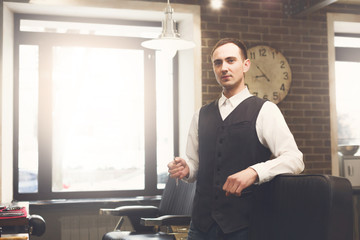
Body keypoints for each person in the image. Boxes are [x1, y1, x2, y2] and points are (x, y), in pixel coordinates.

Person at [167, 38, 304, 240]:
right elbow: (196, 165)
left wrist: (254, 171)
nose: (224, 68)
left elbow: (294, 159)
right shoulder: (201, 115)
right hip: (200, 225)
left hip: (244, 226)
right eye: (218, 62)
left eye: (231, 60)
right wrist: (187, 169)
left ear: (245, 65)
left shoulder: (265, 110)